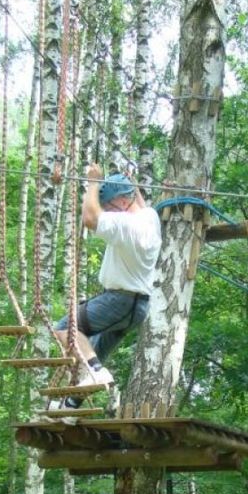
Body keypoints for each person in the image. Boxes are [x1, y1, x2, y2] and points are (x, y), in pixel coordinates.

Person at [52, 164, 161, 409]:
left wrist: (92, 182)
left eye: (109, 205)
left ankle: (95, 372)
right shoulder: (149, 217)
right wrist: (130, 181)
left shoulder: (126, 226)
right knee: (94, 348)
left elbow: (90, 218)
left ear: (122, 202)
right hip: (136, 307)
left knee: (65, 328)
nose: (107, 211)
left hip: (120, 301)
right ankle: (70, 405)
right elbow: (140, 203)